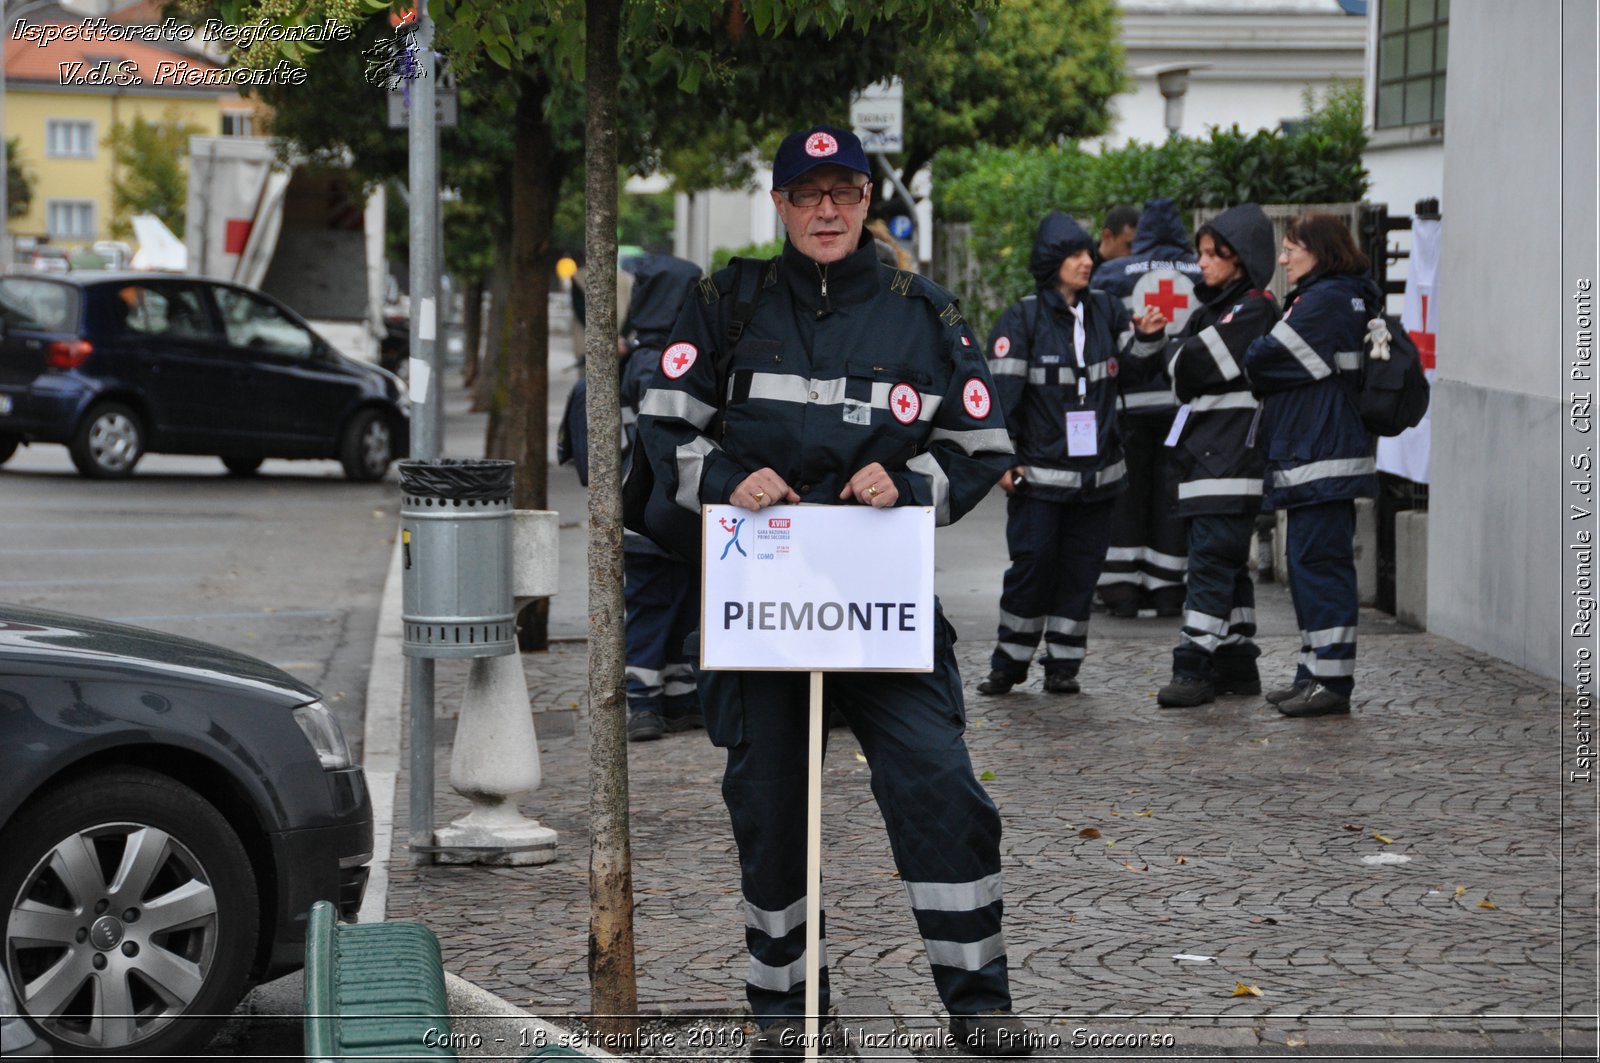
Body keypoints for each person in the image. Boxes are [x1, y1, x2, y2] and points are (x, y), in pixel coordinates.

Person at [637, 124, 1031, 1058]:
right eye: (808, 194)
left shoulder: (923, 313)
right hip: (761, 612)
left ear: (867, 202)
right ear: (779, 204)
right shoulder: (725, 301)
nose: (827, 210)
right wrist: (729, 479)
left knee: (943, 789)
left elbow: (982, 447)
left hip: (878, 607)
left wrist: (913, 483)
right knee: (773, 816)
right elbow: (663, 428)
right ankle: (790, 1019)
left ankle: (979, 1005)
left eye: (844, 192)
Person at [976, 210, 1169, 697]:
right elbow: (1000, 400)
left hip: (1099, 478)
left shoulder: (1105, 309)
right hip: (1039, 480)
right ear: (1052, 261)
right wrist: (1004, 460)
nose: (1089, 261)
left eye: (1088, 253)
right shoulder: (1021, 318)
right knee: (1033, 567)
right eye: (1077, 254)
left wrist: (1147, 338)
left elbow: (1136, 373)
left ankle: (1064, 664)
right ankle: (1010, 663)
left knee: (1082, 572)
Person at [1242, 212, 1380, 718]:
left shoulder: (1325, 302)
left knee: (1320, 570)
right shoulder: (1331, 296)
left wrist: (1265, 348)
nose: (1282, 259)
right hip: (1313, 455)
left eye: (1291, 248)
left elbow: (1262, 358)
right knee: (1306, 569)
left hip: (1321, 456)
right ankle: (1312, 672)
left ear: (1319, 250)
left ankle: (1333, 681)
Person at [1155, 204, 1280, 708]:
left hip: (1228, 466)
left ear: (1242, 259)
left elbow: (1190, 362)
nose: (1202, 263)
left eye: (1214, 255)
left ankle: (1193, 668)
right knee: (1227, 568)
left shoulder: (1253, 309)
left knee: (1208, 566)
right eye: (1201, 253)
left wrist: (1178, 353)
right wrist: (1175, 353)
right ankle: (1236, 663)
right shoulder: (1216, 310)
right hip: (1210, 464)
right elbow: (1179, 364)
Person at [1089, 197, 1202, 618]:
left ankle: (1120, 589)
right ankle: (1168, 589)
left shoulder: (1113, 273)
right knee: (1171, 498)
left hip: (1129, 405)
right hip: (1181, 404)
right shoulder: (1198, 271)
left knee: (1126, 497)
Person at [618, 254, 706, 741]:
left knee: (681, 604)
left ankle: (679, 699)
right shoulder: (658, 363)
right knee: (653, 608)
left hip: (671, 513)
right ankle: (643, 702)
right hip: (654, 514)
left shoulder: (644, 357)